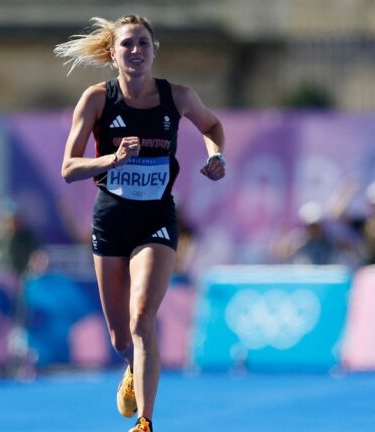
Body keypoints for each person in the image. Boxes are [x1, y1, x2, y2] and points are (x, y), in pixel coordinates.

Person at [55, 14, 226, 432]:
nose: (136, 52)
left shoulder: (179, 97)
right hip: (112, 217)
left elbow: (213, 125)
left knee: (142, 316)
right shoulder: (97, 99)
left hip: (157, 217)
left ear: (154, 51)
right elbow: (68, 168)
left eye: (143, 44)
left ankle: (146, 423)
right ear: (112, 54)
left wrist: (215, 154)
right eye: (127, 44)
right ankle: (132, 367)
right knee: (119, 336)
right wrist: (111, 160)